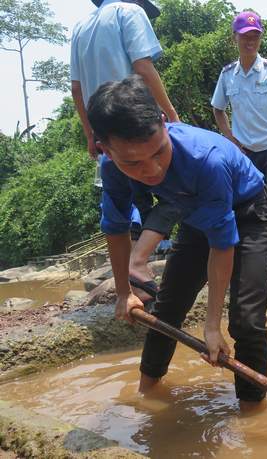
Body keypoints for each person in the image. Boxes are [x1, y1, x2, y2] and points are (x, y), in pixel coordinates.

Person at [88, 75, 267, 406]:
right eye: (134, 163)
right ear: (106, 150)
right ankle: (145, 395)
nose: (152, 169)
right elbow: (115, 228)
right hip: (193, 212)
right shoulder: (111, 168)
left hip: (246, 211)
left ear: (163, 122)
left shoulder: (206, 159)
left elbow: (222, 244)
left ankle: (252, 409)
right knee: (168, 308)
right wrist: (123, 293)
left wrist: (212, 326)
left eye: (159, 152)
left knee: (246, 320)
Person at [70, 0, 179, 303]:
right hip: (138, 124)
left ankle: (135, 278)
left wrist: (91, 135)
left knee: (123, 200)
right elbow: (143, 66)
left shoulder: (80, 27)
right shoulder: (128, 12)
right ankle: (139, 262)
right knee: (177, 195)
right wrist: (171, 114)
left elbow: (76, 89)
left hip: (107, 132)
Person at [211, 12, 267, 286]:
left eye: (255, 35)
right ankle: (249, 262)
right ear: (234, 37)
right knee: (245, 207)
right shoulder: (227, 75)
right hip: (244, 154)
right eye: (245, 35)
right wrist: (231, 140)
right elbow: (218, 109)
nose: (251, 41)